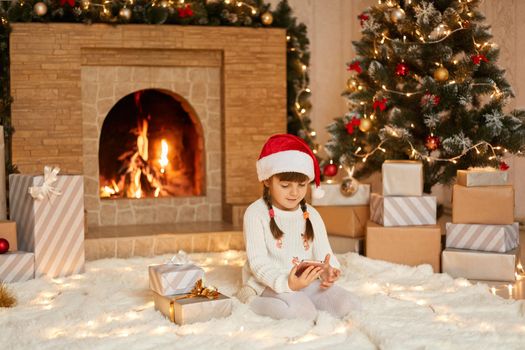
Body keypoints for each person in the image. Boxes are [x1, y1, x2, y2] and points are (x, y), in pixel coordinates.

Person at [237, 134, 360, 321]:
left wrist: (329, 271)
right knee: (301, 313)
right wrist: (286, 283)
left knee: (348, 305)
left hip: (305, 281)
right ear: (267, 181)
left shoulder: (312, 214)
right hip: (269, 281)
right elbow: (258, 262)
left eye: (302, 185)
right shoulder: (255, 213)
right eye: (285, 185)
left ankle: (299, 296)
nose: (295, 193)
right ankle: (250, 300)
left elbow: (324, 254)